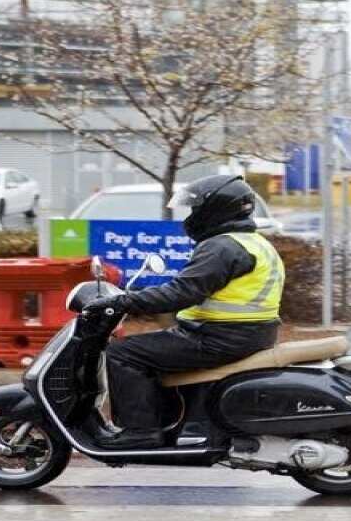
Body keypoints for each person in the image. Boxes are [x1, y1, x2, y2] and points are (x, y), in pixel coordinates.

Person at [84, 174, 284, 449]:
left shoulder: (222, 247)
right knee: (154, 348)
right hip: (244, 333)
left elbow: (181, 292)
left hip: (220, 338)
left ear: (214, 210)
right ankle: (169, 424)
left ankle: (142, 431)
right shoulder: (253, 242)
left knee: (123, 353)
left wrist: (121, 303)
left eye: (195, 208)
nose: (192, 215)